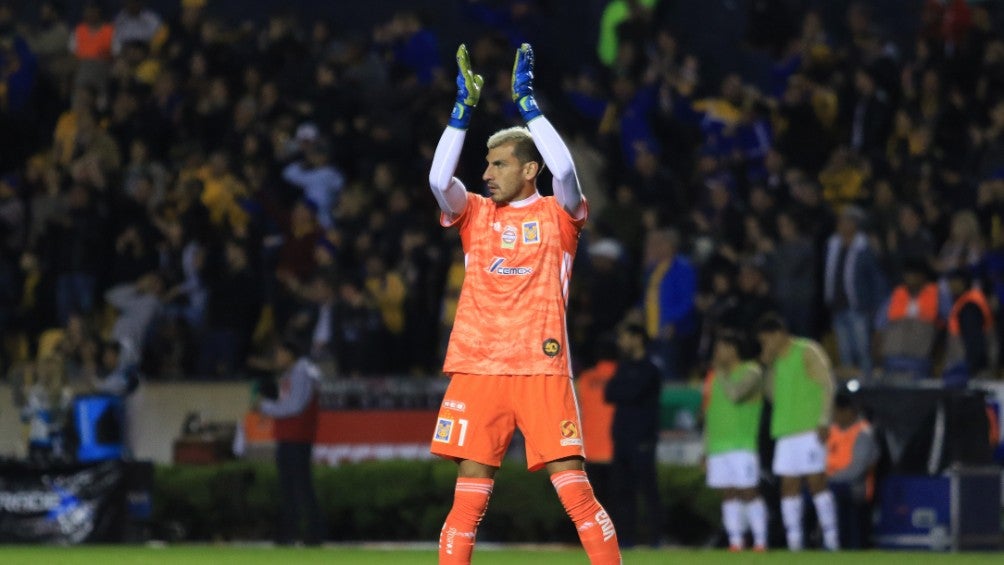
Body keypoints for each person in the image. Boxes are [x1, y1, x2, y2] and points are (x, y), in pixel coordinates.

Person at [428, 44, 620, 564]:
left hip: (540, 366)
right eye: (485, 163)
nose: (486, 172)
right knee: (466, 501)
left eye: (499, 163)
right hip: (478, 367)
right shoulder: (473, 213)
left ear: (529, 169)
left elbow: (568, 173)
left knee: (575, 492)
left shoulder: (561, 216)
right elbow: (437, 181)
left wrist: (528, 104)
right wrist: (462, 112)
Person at [756, 313, 839, 551]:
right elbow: (771, 396)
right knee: (788, 486)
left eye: (766, 340)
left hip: (809, 428)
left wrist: (824, 419)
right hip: (785, 431)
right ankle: (795, 542)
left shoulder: (807, 350)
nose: (765, 346)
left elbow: (827, 383)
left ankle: (832, 539)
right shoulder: (776, 362)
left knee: (816, 483)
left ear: (779, 334)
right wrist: (767, 366)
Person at [255, 338, 325, 546]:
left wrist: (267, 407)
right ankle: (291, 533)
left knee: (299, 486)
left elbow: (295, 406)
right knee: (290, 487)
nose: (276, 358)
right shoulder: (293, 373)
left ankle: (312, 534)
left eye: (279, 353)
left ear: (289, 353)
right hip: (289, 435)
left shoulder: (302, 372)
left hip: (296, 436)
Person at [702, 330, 767, 552]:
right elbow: (710, 413)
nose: (717, 353)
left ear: (733, 349)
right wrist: (706, 448)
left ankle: (760, 541)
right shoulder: (713, 377)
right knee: (728, 493)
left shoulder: (751, 371)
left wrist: (720, 371)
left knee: (748, 491)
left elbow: (735, 394)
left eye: (721, 348)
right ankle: (735, 542)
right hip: (718, 446)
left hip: (742, 444)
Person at [605, 323, 663, 548]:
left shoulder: (650, 369)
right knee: (623, 491)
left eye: (625, 337)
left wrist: (625, 390)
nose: (621, 342)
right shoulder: (623, 367)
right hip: (622, 438)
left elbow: (629, 392)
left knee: (648, 491)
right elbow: (609, 394)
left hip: (643, 440)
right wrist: (625, 390)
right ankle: (625, 538)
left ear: (638, 338)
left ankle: (655, 538)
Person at [826, 391, 879, 549]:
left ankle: (846, 546)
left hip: (856, 486)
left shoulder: (863, 432)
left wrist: (828, 480)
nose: (833, 415)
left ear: (847, 411)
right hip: (831, 483)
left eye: (835, 411)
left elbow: (858, 469)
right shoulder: (830, 430)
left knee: (832, 493)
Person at [874, 260, 941, 380]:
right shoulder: (895, 296)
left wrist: (937, 357)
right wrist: (878, 355)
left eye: (914, 275)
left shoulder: (937, 295)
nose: (911, 279)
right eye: (908, 275)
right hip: (893, 358)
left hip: (920, 360)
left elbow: (946, 326)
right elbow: (879, 328)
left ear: (923, 277)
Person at [576, 334, 618, 509]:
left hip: (590, 450)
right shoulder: (623, 376)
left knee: (593, 506)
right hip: (616, 450)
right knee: (617, 504)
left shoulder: (585, 379)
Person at [943, 268, 997, 387]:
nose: (950, 285)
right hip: (972, 368)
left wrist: (969, 369)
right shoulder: (968, 301)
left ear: (962, 282)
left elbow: (975, 341)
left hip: (971, 372)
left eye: (953, 281)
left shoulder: (969, 306)